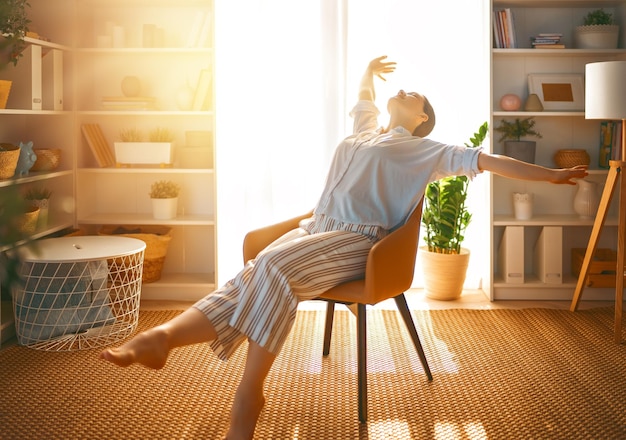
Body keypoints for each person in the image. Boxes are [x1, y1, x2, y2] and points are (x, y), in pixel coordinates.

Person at [100, 55, 588, 439]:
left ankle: (248, 396)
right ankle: (162, 339)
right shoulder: (363, 135)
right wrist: (367, 73)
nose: (404, 90)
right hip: (315, 230)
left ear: (422, 119)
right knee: (254, 273)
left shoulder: (427, 151)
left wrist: (551, 174)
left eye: (415, 94)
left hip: (361, 244)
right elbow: (361, 98)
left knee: (269, 264)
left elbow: (493, 160)